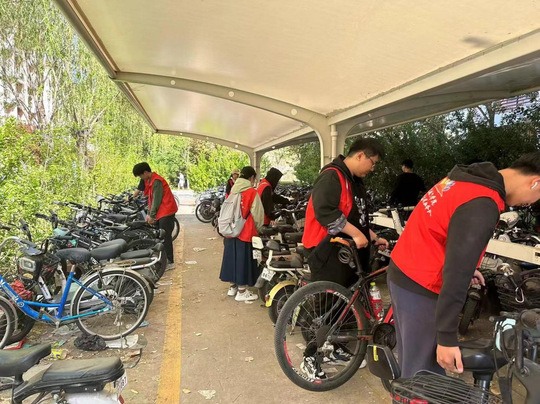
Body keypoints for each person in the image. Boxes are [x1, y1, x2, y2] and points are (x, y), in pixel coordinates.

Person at [388, 152, 540, 378]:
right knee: (423, 377)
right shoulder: (483, 203)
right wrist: (447, 337)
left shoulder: (464, 180)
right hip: (422, 285)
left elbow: (442, 230)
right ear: (535, 182)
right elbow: (456, 274)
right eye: (537, 197)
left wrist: (469, 266)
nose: (530, 203)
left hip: (404, 272)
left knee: (411, 365)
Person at [300, 137, 389, 379]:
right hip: (325, 249)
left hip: (345, 251)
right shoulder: (332, 176)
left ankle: (334, 348)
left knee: (345, 304)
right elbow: (325, 212)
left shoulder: (354, 180)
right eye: (372, 162)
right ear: (360, 155)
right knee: (328, 305)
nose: (373, 168)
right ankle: (310, 356)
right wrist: (356, 234)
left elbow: (356, 218)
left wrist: (371, 236)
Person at [219, 166, 264, 301]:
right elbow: (258, 215)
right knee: (242, 261)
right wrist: (258, 229)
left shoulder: (233, 190)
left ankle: (232, 288)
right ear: (251, 178)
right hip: (245, 231)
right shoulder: (251, 192)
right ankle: (242, 291)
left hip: (230, 230)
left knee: (231, 259)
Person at [133, 162, 178, 271]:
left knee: (165, 237)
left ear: (145, 172)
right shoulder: (150, 180)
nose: (141, 178)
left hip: (166, 211)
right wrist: (149, 214)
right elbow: (151, 199)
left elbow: (157, 200)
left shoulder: (157, 181)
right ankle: (163, 260)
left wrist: (151, 215)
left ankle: (170, 261)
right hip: (162, 211)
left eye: (140, 175)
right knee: (160, 237)